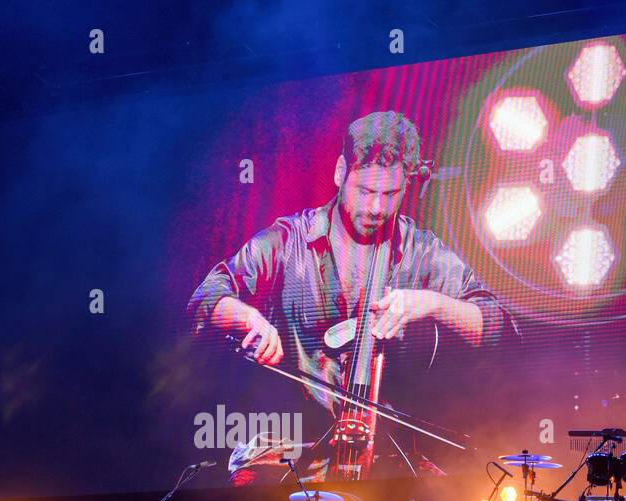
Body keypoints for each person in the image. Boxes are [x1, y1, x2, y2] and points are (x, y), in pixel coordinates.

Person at [188, 110, 504, 480]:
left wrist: (434, 303)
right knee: (250, 489)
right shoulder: (289, 240)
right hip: (289, 451)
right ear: (341, 172)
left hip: (387, 461)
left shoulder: (421, 250)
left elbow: (495, 321)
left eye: (391, 194)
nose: (377, 208)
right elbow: (208, 295)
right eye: (366, 191)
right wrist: (250, 319)